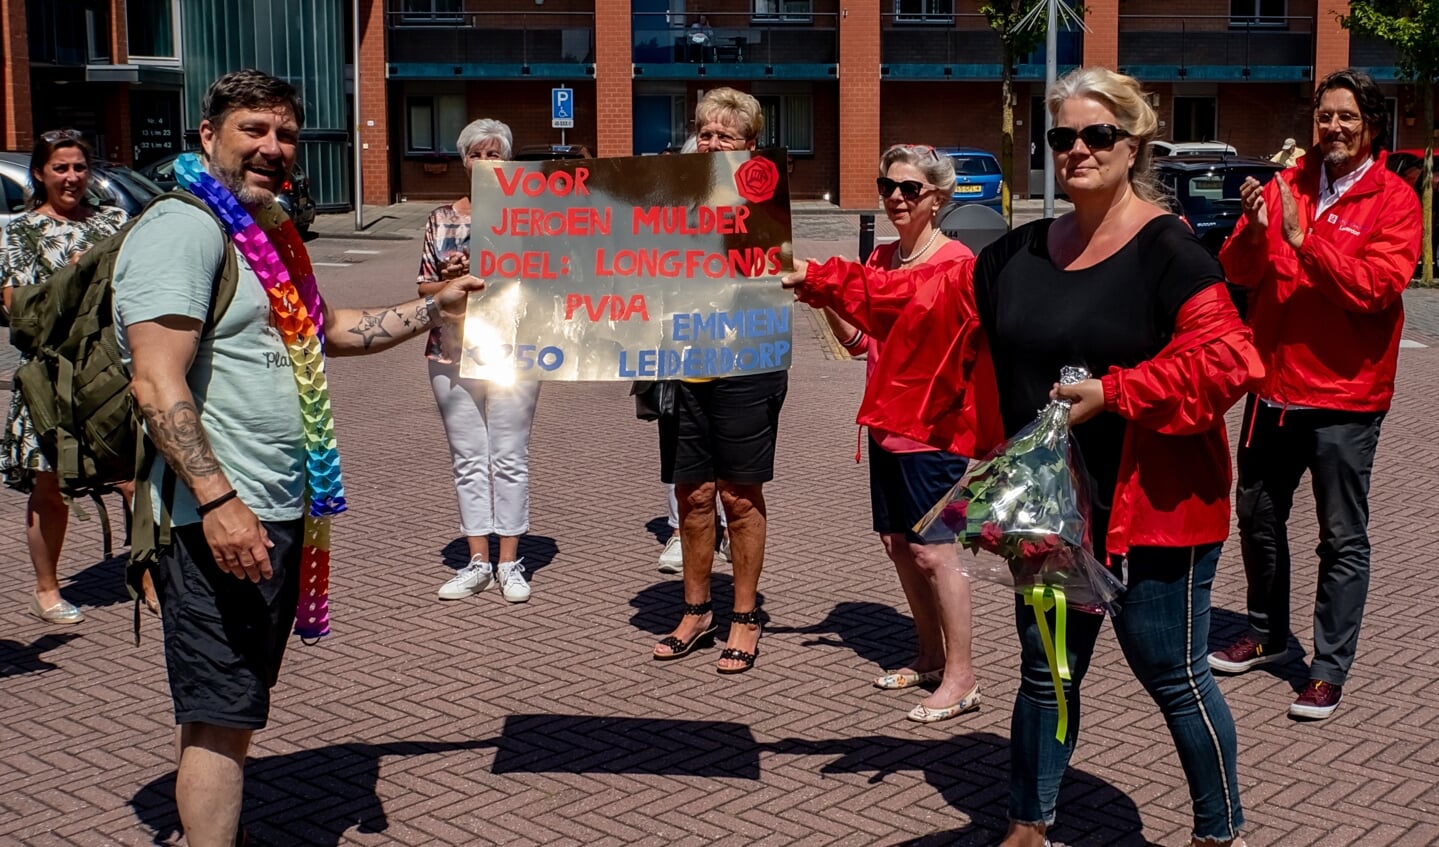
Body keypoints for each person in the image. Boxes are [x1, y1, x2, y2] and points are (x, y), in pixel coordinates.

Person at [785, 66, 1258, 847]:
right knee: (1046, 676)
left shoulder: (1169, 251)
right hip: (1048, 508)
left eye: (1095, 134)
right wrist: (822, 279)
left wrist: (1118, 391)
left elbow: (1227, 361)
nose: (1076, 148)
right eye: (1061, 136)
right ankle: (1028, 823)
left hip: (1155, 507)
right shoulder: (1020, 252)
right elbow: (924, 303)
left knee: (1170, 672)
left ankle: (1218, 829)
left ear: (1131, 142)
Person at [112, 69, 484, 847]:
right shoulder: (185, 230)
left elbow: (326, 331)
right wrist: (218, 500)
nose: (272, 148)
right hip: (213, 518)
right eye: (253, 130)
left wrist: (433, 309)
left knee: (237, 702)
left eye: (284, 133)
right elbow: (155, 378)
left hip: (276, 507)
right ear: (208, 135)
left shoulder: (269, 231)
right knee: (218, 713)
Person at [1211, 68, 1421, 721]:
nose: (1331, 127)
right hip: (1272, 389)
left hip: (1345, 397)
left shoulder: (1393, 200)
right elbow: (1236, 271)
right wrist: (1252, 226)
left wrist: (1306, 243)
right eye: (1324, 116)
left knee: (1340, 535)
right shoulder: (1285, 185)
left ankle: (1328, 668)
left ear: (1371, 127)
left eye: (1345, 117)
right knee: (1256, 516)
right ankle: (1269, 634)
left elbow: (1375, 289)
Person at [820, 143, 979, 722]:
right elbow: (860, 342)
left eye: (908, 188)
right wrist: (829, 298)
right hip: (886, 427)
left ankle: (963, 676)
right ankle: (931, 655)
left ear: (936, 198)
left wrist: (836, 287)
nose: (894, 197)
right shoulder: (884, 258)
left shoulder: (954, 263)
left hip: (934, 430)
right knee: (896, 544)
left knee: (936, 552)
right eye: (887, 185)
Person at [651, 88, 786, 673]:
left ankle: (745, 616)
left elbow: (767, 270)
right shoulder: (670, 198)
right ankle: (696, 609)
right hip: (684, 365)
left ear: (749, 145)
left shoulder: (763, 197)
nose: (710, 143)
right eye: (704, 134)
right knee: (693, 494)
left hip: (747, 363)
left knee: (738, 495)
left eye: (724, 136)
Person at [1, 129, 129, 625]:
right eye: (60, 168)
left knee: (135, 477)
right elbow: (17, 309)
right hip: (52, 376)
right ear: (40, 173)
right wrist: (76, 275)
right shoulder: (19, 232)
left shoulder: (115, 222)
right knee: (49, 484)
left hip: (111, 371)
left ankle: (146, 576)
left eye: (79, 167)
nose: (72, 177)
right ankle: (46, 589)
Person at [421, 118, 539, 605]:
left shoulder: (530, 215)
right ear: (464, 160)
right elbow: (424, 288)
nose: (487, 162)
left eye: (497, 154)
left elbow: (547, 281)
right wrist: (451, 283)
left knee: (509, 457)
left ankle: (510, 560)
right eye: (478, 154)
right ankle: (476, 561)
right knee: (469, 459)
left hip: (515, 349)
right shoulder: (441, 219)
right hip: (450, 349)